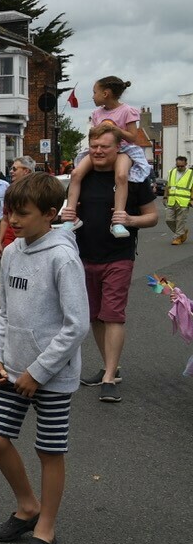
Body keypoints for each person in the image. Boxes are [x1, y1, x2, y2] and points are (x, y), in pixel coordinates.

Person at [0, 173, 89, 544]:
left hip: (52, 377)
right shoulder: (11, 253)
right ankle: (27, 507)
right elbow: (6, 314)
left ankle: (46, 528)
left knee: (49, 451)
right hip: (12, 370)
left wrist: (39, 371)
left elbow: (77, 324)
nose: (12, 220)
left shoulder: (62, 257)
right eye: (10, 211)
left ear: (49, 214)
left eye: (22, 214)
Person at [60, 125, 159, 402]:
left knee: (113, 313)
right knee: (95, 315)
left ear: (118, 148)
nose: (98, 151)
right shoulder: (83, 176)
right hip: (84, 255)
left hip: (119, 255)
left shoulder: (134, 180)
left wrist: (130, 220)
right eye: (94, 146)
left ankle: (108, 378)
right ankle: (110, 367)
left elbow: (152, 217)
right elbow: (69, 210)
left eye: (104, 146)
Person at [61, 77, 152, 239]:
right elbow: (96, 137)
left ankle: (117, 221)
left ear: (106, 93)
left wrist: (114, 129)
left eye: (94, 93)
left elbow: (132, 137)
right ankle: (71, 216)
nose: (93, 96)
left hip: (124, 150)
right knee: (76, 174)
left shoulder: (126, 111)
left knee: (121, 176)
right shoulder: (97, 113)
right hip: (103, 148)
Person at [0, 156, 36, 257]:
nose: (11, 171)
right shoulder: (10, 191)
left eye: (14, 169)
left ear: (26, 171)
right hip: (11, 240)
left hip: (34, 239)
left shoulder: (39, 191)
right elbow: (5, 219)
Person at [166, 155, 190, 245]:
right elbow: (168, 186)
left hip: (184, 201)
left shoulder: (191, 173)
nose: (179, 168)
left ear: (186, 164)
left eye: (182, 166)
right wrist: (165, 197)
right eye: (178, 166)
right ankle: (182, 232)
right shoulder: (172, 172)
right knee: (169, 220)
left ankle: (177, 238)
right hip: (172, 200)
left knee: (180, 221)